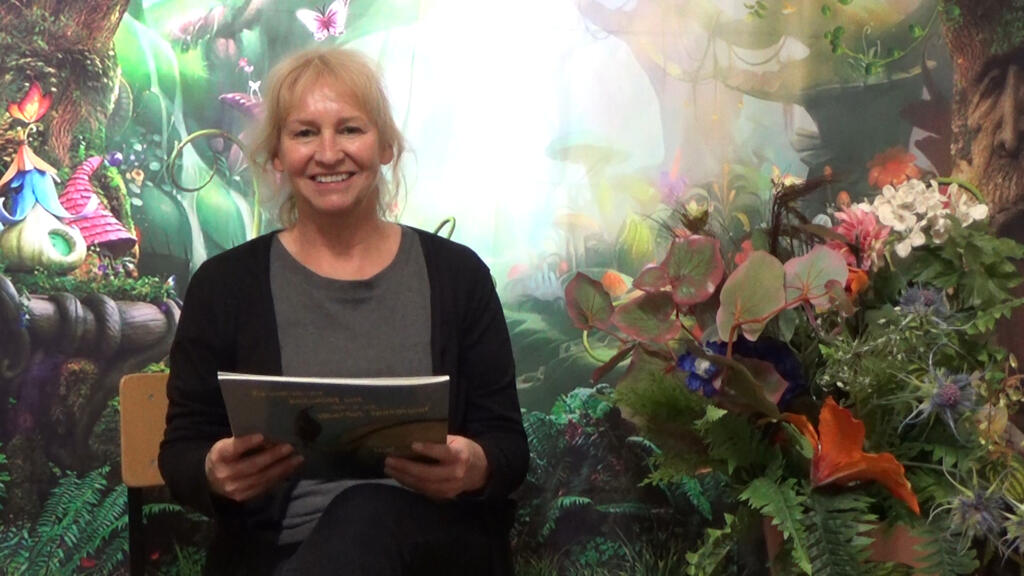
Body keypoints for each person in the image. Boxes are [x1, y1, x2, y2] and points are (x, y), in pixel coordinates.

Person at [158, 46, 529, 576]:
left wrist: (474, 465)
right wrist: (213, 471)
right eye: (305, 133)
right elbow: (182, 450)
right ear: (277, 155)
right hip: (275, 557)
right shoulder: (224, 286)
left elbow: (508, 445)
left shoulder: (458, 276)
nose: (329, 153)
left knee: (365, 511)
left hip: (438, 550)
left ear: (385, 146)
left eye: (350, 129)